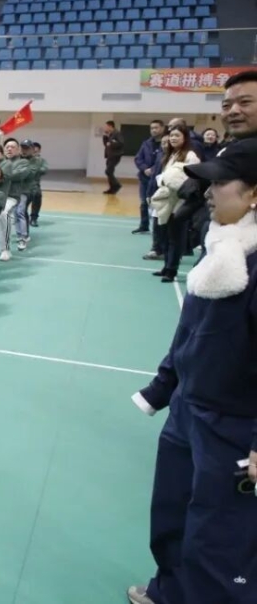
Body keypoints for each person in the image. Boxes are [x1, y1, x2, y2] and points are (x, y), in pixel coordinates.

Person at [127, 138, 257, 604]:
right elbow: (191, 328)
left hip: (234, 424)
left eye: (220, 184)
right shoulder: (221, 245)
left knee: (219, 536)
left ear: (254, 194)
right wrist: (164, 386)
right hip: (188, 409)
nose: (208, 192)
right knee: (173, 513)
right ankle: (170, 592)